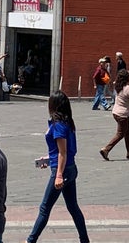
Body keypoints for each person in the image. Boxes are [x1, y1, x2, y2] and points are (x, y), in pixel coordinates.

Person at [25, 90, 89, 243]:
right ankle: (84, 240)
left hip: (63, 170)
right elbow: (63, 152)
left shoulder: (59, 124)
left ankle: (30, 240)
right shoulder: (67, 122)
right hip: (70, 168)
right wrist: (48, 159)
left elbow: (63, 152)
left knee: (44, 208)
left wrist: (58, 174)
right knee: (73, 207)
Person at [99, 69, 129, 161]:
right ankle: (106, 149)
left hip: (116, 112)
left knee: (127, 131)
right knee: (120, 134)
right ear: (127, 78)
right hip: (123, 115)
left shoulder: (118, 86)